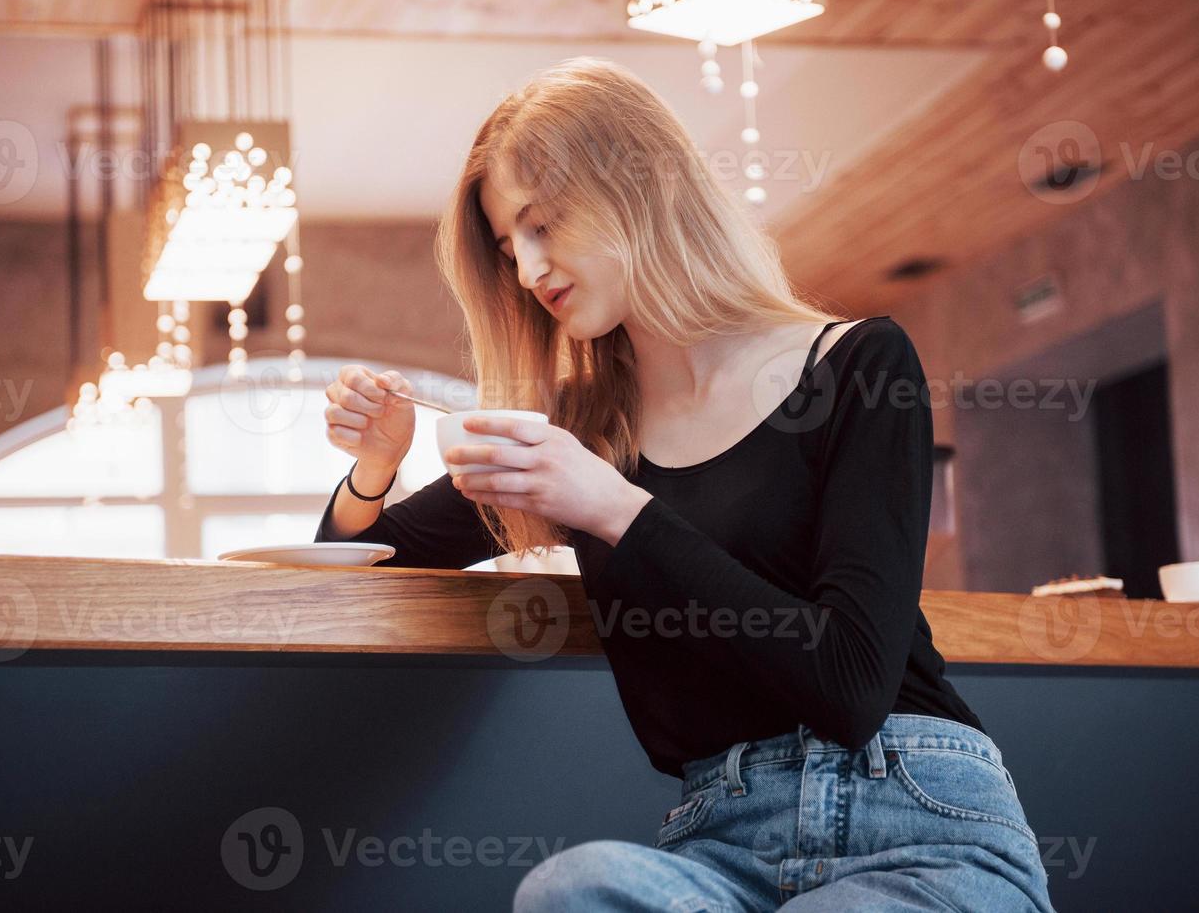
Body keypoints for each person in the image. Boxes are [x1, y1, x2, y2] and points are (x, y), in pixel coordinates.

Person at [315, 57, 1054, 911]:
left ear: (640, 190)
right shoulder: (585, 437)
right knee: (571, 888)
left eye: (542, 224)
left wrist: (613, 508)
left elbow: (851, 689)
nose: (525, 269)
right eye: (507, 246)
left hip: (918, 817)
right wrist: (375, 467)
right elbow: (354, 565)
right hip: (724, 843)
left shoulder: (857, 364)